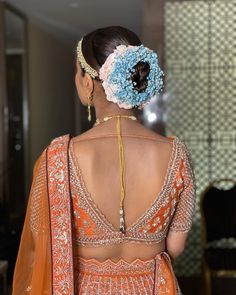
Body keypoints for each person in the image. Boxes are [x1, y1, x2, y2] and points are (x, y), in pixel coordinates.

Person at [12, 26, 196, 294]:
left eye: (77, 72)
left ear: (87, 82)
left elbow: (42, 246)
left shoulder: (57, 158)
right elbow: (176, 247)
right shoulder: (177, 155)